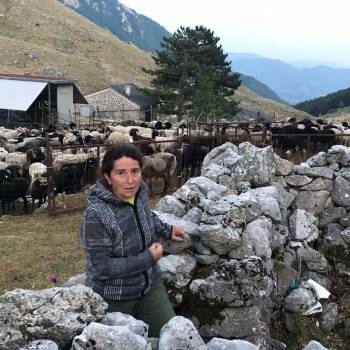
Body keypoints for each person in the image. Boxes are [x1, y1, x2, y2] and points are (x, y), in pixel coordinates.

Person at [80, 144, 185, 337]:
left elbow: (146, 215)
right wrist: (148, 258)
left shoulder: (141, 190)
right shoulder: (95, 214)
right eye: (121, 173)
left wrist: (167, 229)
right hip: (115, 297)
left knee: (174, 338)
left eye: (135, 171)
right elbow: (100, 267)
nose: (131, 180)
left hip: (150, 286)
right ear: (107, 177)